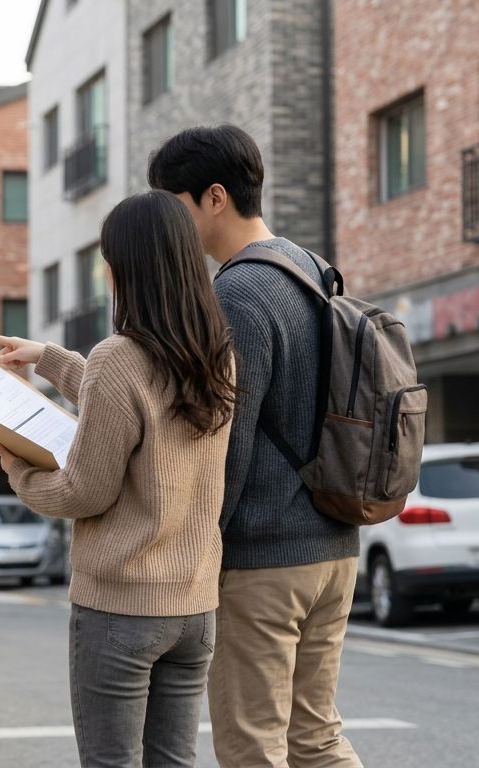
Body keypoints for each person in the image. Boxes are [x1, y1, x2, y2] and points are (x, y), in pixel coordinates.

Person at [0, 190, 237, 768]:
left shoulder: (120, 356)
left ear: (127, 267)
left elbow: (83, 492)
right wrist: (48, 357)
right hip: (194, 609)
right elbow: (126, 402)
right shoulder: (214, 353)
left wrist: (17, 470)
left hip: (122, 609)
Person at [148, 124, 364, 768]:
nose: (170, 225)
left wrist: (198, 542)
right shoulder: (313, 270)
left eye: (174, 206)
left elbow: (227, 444)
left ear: (215, 197)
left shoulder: (235, 293)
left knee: (250, 745)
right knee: (317, 738)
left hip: (265, 558)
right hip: (333, 546)